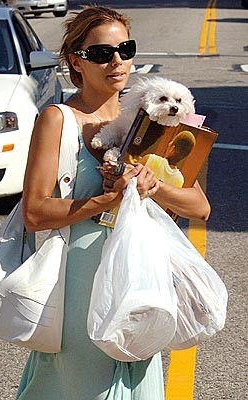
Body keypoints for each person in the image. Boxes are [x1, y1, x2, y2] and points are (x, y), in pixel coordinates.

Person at [17, 6, 211, 400]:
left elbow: (199, 208)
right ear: (76, 61)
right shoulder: (59, 119)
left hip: (140, 280)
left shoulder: (155, 117)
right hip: (80, 286)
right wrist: (106, 198)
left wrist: (152, 187)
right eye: (102, 53)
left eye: (125, 48)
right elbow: (34, 213)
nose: (117, 61)